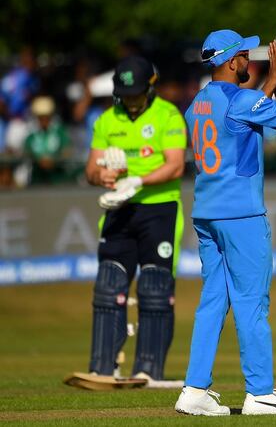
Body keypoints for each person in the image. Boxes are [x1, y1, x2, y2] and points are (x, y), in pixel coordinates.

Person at [174, 30, 276, 416]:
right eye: (244, 55)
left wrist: (272, 82)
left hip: (206, 214)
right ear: (231, 62)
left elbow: (243, 115)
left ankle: (194, 390)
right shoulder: (242, 100)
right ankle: (260, 392)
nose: (250, 61)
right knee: (252, 302)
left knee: (213, 301)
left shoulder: (197, 104)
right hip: (240, 215)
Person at [82, 56, 187, 383]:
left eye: (135, 93)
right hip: (118, 209)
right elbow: (90, 169)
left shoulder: (168, 115)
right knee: (109, 285)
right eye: (124, 93)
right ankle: (104, 368)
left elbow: (175, 166)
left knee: (155, 288)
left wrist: (138, 181)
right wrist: (105, 176)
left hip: (159, 208)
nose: (129, 99)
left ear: (150, 87)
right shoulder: (106, 120)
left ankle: (148, 370)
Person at [24, 96, 71, 185]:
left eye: (46, 117)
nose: (44, 120)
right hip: (37, 178)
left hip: (57, 178)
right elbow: (27, 151)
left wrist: (54, 159)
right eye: (41, 117)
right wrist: (39, 159)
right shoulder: (32, 134)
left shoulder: (60, 132)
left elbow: (67, 150)